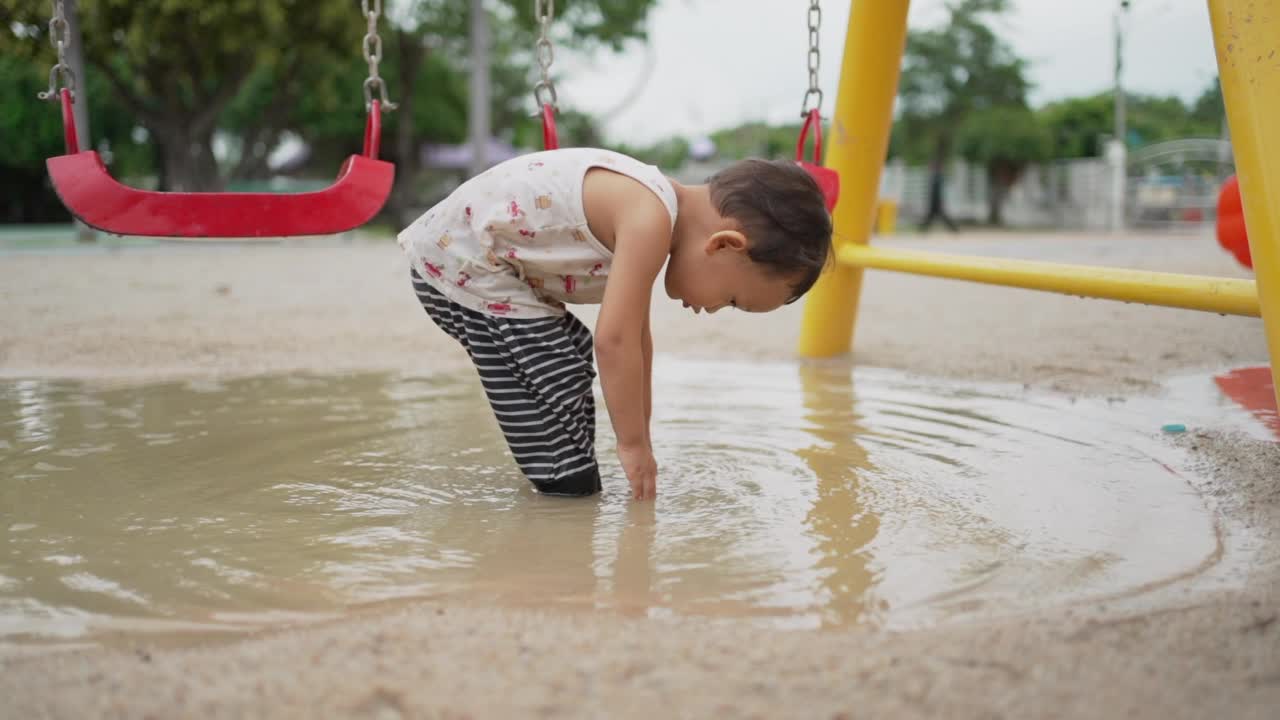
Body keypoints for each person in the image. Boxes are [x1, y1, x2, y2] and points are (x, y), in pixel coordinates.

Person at [398, 149, 832, 501]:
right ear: (724, 244)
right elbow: (615, 341)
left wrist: (642, 434)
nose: (715, 309)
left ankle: (566, 478)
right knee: (558, 369)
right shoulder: (649, 220)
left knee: (566, 355)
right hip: (460, 262)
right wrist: (632, 447)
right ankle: (564, 491)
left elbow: (638, 345)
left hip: (477, 265)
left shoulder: (655, 215)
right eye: (733, 300)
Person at [919, 159, 958, 233]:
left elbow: (936, 192)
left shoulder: (936, 177)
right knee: (931, 217)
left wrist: (937, 202)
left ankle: (922, 230)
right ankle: (922, 230)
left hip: (936, 202)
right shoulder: (936, 176)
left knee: (934, 217)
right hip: (935, 202)